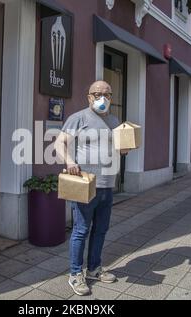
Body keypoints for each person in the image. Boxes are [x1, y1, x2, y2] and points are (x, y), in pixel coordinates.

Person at [55, 81, 130, 296]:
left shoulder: (115, 121)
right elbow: (59, 144)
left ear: (111, 97)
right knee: (80, 230)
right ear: (89, 96)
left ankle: (94, 269)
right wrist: (69, 161)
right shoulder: (77, 118)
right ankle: (75, 274)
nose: (102, 98)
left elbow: (120, 149)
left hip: (108, 185)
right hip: (85, 185)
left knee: (101, 230)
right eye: (97, 94)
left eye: (107, 94)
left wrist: (125, 149)